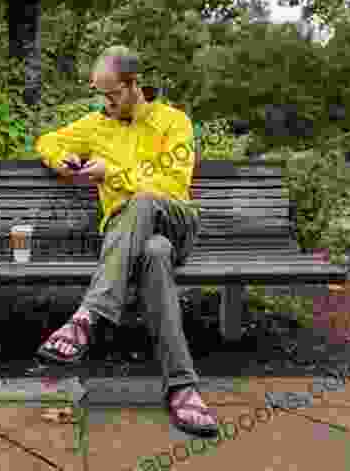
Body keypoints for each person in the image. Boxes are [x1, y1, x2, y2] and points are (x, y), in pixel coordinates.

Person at [34, 45, 218, 437]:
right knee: (154, 253)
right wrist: (62, 160)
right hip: (136, 241)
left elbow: (171, 183)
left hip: (176, 221)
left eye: (112, 93)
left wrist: (113, 174)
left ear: (134, 85)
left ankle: (89, 314)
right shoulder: (96, 125)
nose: (106, 102)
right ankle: (183, 388)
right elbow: (47, 141)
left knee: (146, 200)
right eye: (100, 94)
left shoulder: (174, 122)